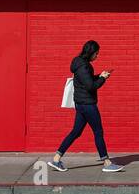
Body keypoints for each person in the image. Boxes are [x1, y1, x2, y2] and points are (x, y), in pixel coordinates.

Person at [49, 40, 124, 173]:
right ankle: (107, 163)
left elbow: (86, 80)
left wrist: (99, 75)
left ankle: (56, 158)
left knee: (76, 132)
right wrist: (103, 79)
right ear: (91, 53)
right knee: (98, 132)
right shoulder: (85, 66)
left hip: (80, 104)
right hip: (88, 105)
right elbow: (91, 86)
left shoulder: (78, 63)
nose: (97, 56)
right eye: (96, 53)